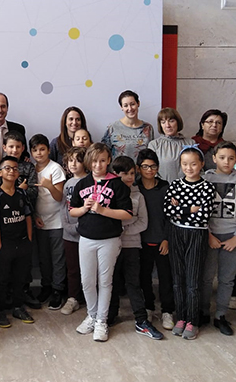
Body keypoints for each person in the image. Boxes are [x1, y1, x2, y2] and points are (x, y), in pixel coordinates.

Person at [69, 143, 133, 342]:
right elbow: (73, 211)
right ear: (89, 161)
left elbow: (127, 214)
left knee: (105, 282)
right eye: (95, 161)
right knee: (87, 281)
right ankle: (92, 315)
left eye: (103, 160)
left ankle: (102, 321)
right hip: (86, 238)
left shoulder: (118, 184)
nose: (98, 165)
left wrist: (104, 210)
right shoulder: (82, 183)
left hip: (109, 239)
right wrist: (85, 208)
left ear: (108, 161)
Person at [107, 156, 164, 340]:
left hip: (132, 245)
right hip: (112, 244)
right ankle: (109, 315)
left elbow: (143, 222)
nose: (129, 177)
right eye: (124, 173)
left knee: (133, 282)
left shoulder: (138, 195)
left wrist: (124, 230)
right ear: (115, 174)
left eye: (132, 173)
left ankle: (141, 319)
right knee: (112, 281)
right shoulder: (109, 194)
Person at [201, 141, 236, 336]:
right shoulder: (205, 179)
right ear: (214, 158)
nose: (226, 161)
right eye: (222, 158)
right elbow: (199, 211)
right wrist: (208, 234)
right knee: (206, 277)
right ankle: (203, 311)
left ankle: (221, 315)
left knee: (226, 279)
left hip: (232, 237)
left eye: (231, 158)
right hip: (209, 236)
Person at [163, 146, 215, 340]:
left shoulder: (207, 187)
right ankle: (181, 317)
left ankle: (193, 320)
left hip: (197, 235)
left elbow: (203, 215)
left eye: (193, 164)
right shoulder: (175, 185)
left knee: (193, 280)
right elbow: (168, 210)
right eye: (185, 164)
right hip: (175, 232)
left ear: (201, 164)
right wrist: (189, 210)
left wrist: (181, 209)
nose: (189, 168)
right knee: (178, 280)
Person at [0, 156, 36, 328]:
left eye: (15, 168)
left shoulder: (22, 193)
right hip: (5, 244)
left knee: (20, 277)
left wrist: (30, 239)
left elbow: (28, 217)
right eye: (8, 168)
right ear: (0, 172)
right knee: (2, 278)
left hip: (23, 242)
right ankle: (0, 310)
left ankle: (18, 307)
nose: (12, 171)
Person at [135, 149, 175, 331]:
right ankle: (149, 307)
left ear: (157, 167)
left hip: (163, 242)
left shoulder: (165, 187)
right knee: (144, 277)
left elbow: (171, 216)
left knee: (166, 278)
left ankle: (167, 311)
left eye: (153, 166)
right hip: (141, 242)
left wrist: (167, 238)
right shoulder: (135, 188)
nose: (149, 170)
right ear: (139, 168)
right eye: (145, 167)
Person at [30, 134, 67, 309]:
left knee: (57, 258)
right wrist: (35, 215)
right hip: (40, 222)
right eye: (35, 150)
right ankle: (46, 286)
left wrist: (49, 185)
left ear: (49, 150)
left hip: (57, 222)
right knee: (44, 258)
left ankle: (58, 290)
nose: (39, 153)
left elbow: (60, 197)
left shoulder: (55, 168)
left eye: (42, 149)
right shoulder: (30, 170)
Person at [59, 147, 87, 315]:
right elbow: (63, 207)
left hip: (86, 233)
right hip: (69, 234)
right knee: (72, 268)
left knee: (89, 268)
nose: (74, 164)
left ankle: (89, 297)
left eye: (78, 160)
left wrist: (80, 228)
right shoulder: (68, 183)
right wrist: (68, 227)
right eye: (70, 160)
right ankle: (73, 298)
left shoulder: (90, 181)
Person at [101, 90, 154, 161]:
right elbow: (104, 154)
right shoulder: (112, 128)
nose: (130, 108)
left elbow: (151, 154)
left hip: (140, 171)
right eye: (125, 105)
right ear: (121, 107)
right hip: (118, 171)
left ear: (138, 103)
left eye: (132, 104)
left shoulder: (148, 128)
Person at [0, 131, 38, 207]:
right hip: (4, 211)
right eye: (11, 147)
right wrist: (19, 190)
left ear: (23, 148)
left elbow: (33, 192)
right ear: (4, 147)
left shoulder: (29, 167)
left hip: (25, 210)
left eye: (18, 147)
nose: (14, 150)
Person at [147, 107, 194, 181]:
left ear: (178, 122)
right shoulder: (154, 145)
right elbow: (150, 171)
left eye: (171, 121)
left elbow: (197, 168)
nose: (167, 125)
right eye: (163, 122)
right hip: (162, 189)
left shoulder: (190, 143)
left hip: (187, 188)